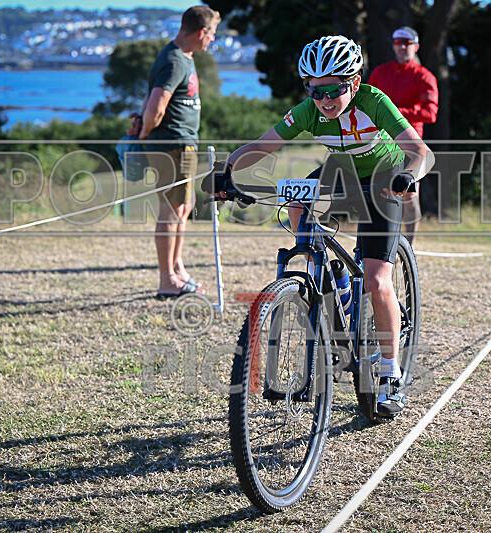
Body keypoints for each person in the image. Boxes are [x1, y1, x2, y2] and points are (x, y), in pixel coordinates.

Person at [213, 36, 434, 416]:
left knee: (378, 278)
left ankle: (391, 373)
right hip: (341, 172)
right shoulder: (307, 112)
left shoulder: (375, 103)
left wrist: (409, 175)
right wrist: (227, 169)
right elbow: (263, 145)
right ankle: (323, 276)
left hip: (384, 178)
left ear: (355, 82)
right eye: (315, 90)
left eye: (334, 88)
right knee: (297, 199)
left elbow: (420, 152)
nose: (324, 99)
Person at [136, 5, 220, 297]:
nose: (212, 41)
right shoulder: (173, 59)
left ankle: (177, 269)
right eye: (211, 35)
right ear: (201, 32)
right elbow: (156, 104)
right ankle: (167, 280)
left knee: (183, 208)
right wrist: (145, 133)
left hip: (182, 143)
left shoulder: (184, 57)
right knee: (171, 210)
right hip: (172, 144)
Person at [368, 26, 439, 243]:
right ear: (393, 45)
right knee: (376, 192)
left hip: (409, 141)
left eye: (407, 43)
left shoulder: (424, 76)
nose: (402, 47)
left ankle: (410, 246)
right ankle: (381, 243)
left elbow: (430, 113)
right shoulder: (380, 72)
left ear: (416, 46)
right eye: (398, 43)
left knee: (408, 194)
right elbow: (367, 104)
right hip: (380, 141)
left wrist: (395, 112)